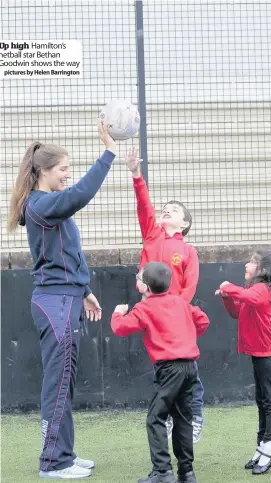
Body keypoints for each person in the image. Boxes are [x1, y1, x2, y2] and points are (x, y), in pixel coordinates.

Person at [8, 121, 117, 479]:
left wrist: (84, 290)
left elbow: (69, 251)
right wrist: (108, 153)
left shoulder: (49, 207)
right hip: (54, 303)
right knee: (58, 383)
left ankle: (64, 454)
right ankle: (53, 463)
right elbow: (80, 195)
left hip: (65, 298)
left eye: (69, 169)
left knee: (65, 380)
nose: (68, 175)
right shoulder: (42, 206)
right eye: (63, 169)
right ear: (43, 172)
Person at [125, 148, 205, 443]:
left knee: (189, 371)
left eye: (175, 209)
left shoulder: (188, 250)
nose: (167, 209)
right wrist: (136, 174)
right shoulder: (152, 234)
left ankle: (194, 417)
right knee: (162, 369)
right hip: (152, 313)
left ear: (184, 224)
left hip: (177, 317)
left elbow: (190, 287)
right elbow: (143, 204)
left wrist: (177, 311)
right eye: (166, 207)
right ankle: (171, 418)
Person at [111, 262, 210, 483]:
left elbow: (120, 328)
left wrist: (117, 313)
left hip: (169, 370)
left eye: (140, 277)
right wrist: (186, 339)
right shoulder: (180, 302)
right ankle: (186, 473)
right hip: (189, 367)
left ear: (145, 287)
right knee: (183, 419)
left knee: (155, 418)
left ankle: (162, 472)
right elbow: (203, 320)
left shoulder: (144, 308)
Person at [215, 249, 271, 475]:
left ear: (263, 270)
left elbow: (248, 297)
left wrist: (227, 287)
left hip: (267, 354)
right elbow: (237, 311)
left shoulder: (263, 290)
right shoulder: (252, 290)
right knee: (262, 400)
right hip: (258, 354)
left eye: (251, 262)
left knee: (270, 401)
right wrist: (228, 298)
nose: (246, 265)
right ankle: (261, 445)